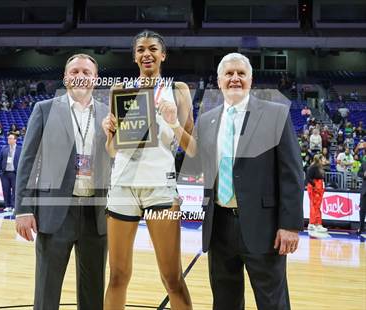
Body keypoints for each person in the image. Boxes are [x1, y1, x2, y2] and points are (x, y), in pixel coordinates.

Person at [187, 53, 304, 310]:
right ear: (219, 81)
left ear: (251, 79)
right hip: (219, 226)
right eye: (229, 74)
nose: (235, 79)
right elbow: (196, 165)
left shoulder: (275, 114)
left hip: (265, 228)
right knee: (225, 301)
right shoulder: (207, 119)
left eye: (241, 73)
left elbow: (292, 173)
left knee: (272, 302)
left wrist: (290, 225)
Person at [102, 30, 193, 309]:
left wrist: (175, 122)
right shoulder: (120, 90)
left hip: (160, 188)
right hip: (122, 186)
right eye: (140, 49)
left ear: (163, 55)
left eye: (153, 48)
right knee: (117, 275)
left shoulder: (178, 90)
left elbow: (192, 149)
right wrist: (109, 135)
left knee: (172, 277)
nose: (146, 54)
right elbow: (113, 151)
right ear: (135, 56)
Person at [15, 53, 110, 310]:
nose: (80, 76)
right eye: (75, 71)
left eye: (86, 72)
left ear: (95, 79)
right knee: (47, 289)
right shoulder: (44, 109)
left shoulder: (108, 114)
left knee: (94, 292)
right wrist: (23, 209)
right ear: (66, 77)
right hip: (55, 211)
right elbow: (27, 161)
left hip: (97, 213)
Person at [0, 133, 21, 212]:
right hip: (5, 173)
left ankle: (14, 206)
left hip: (14, 173)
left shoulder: (20, 149)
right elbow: (0, 160)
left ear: (15, 140)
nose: (9, 140)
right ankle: (7, 206)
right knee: (6, 190)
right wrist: (0, 172)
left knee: (15, 190)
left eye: (10, 138)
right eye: (8, 138)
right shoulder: (4, 148)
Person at [306, 154, 327, 232]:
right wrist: (314, 186)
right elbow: (308, 178)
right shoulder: (313, 167)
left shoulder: (320, 167)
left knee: (317, 206)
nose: (325, 160)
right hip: (314, 188)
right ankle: (313, 224)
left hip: (319, 188)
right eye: (324, 159)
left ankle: (317, 224)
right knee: (314, 206)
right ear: (320, 160)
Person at [357, 161, 366, 234]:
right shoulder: (364, 163)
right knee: (362, 210)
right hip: (364, 191)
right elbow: (358, 173)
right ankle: (361, 227)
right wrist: (364, 174)